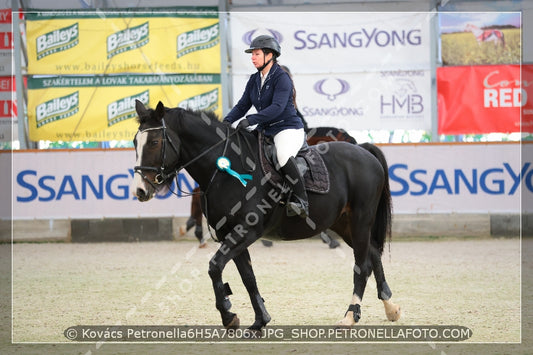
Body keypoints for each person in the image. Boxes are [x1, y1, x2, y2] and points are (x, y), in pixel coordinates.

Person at [223, 35, 309, 218]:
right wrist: (226, 121)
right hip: (266, 129)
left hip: (287, 128)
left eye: (256, 54)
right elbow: (242, 105)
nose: (252, 58)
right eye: (252, 54)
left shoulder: (282, 78)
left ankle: (302, 200)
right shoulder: (254, 79)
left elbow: (277, 108)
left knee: (283, 155)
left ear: (269, 55)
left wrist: (251, 120)